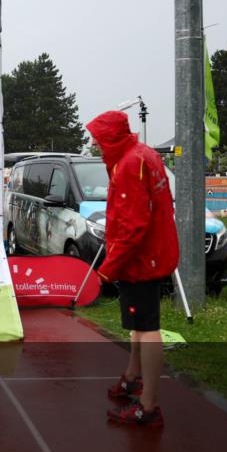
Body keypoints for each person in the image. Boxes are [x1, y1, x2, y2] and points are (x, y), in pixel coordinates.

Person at [86, 111, 179, 427]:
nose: (96, 146)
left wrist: (108, 269)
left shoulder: (129, 165)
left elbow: (132, 227)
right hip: (152, 254)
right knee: (139, 324)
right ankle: (132, 377)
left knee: (147, 327)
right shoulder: (146, 154)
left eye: (98, 140)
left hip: (141, 260)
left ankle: (148, 406)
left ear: (110, 138)